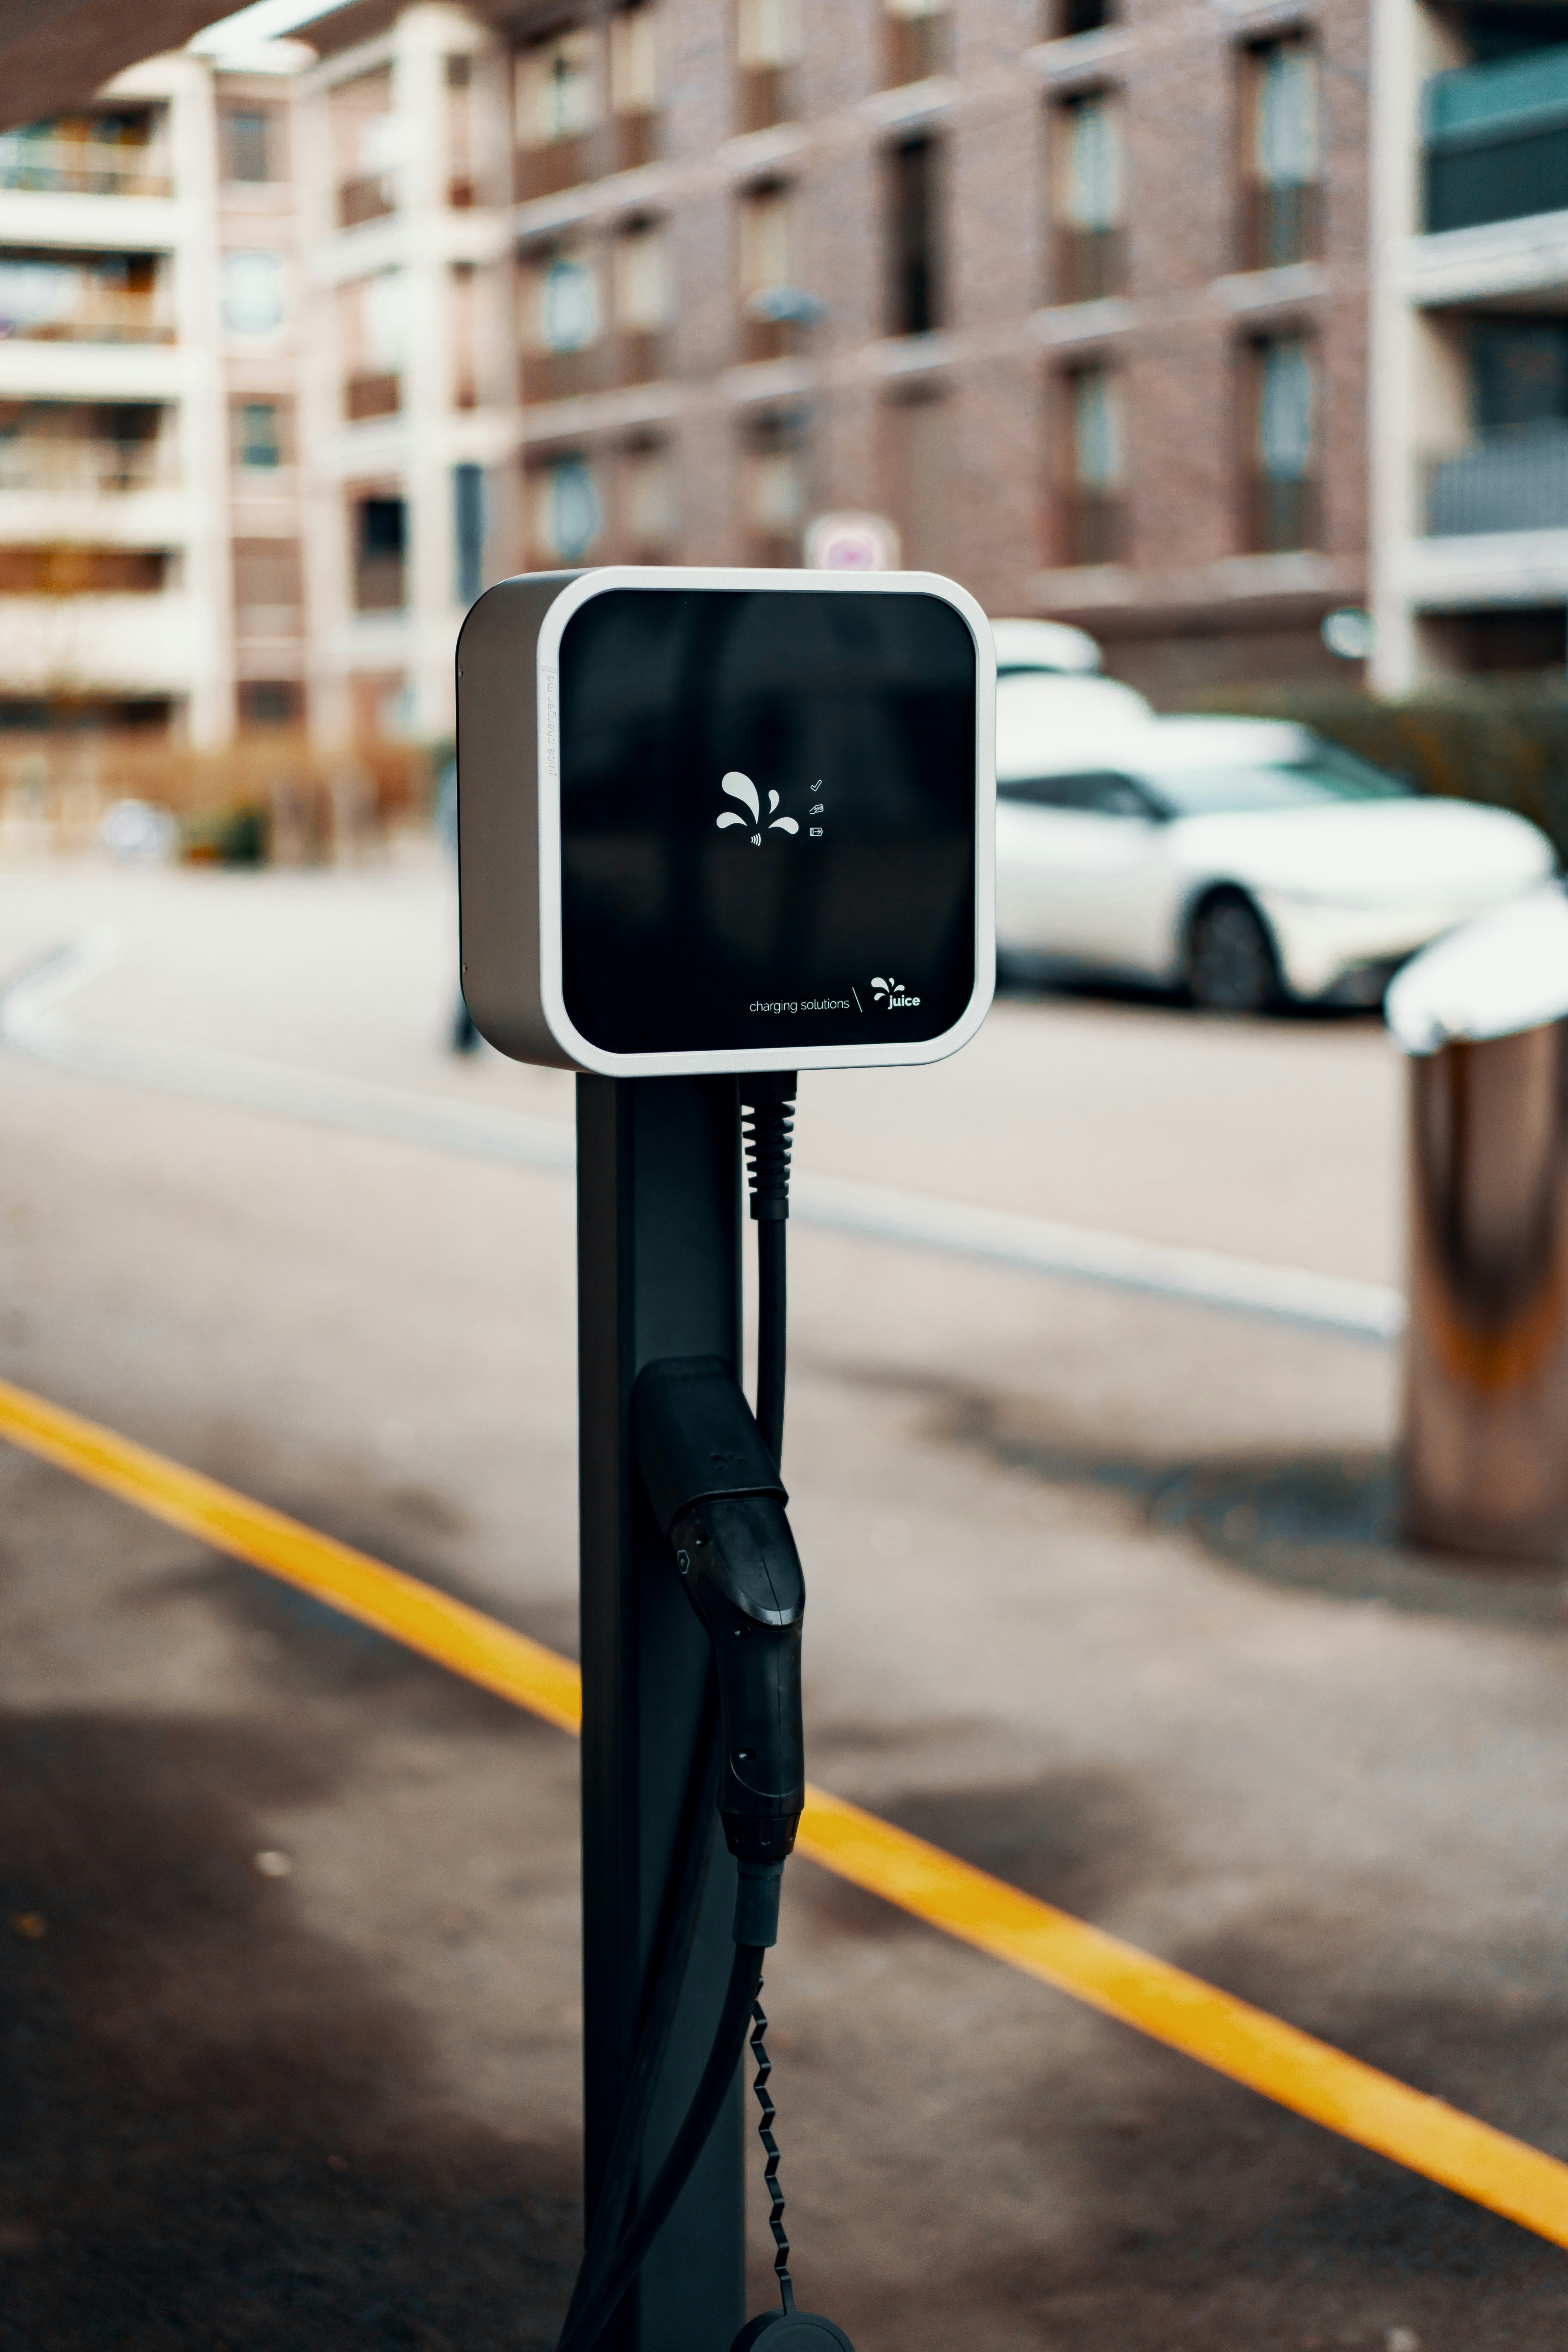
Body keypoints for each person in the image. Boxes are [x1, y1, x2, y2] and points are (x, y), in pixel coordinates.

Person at [435, 756, 480, 1053]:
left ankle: (464, 1034)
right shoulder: (462, 773)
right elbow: (452, 828)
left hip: (477, 877)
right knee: (479, 955)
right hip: (479, 879)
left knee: (478, 954)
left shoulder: (458, 772)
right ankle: (464, 1033)